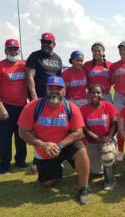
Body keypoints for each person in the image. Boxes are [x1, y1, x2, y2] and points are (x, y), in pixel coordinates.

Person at [18, 76, 91, 204]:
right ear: (46, 89)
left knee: (81, 151)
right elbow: (23, 132)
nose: (55, 90)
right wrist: (42, 144)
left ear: (64, 90)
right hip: (44, 148)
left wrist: (60, 145)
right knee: (47, 184)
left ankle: (83, 188)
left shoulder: (71, 107)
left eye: (59, 88)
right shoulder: (32, 107)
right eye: (51, 87)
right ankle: (56, 166)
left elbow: (78, 133)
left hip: (65, 144)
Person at [0, 39, 28, 174]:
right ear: (5, 51)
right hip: (6, 106)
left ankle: (20, 161)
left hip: (22, 107)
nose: (14, 51)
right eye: (11, 49)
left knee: (21, 136)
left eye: (16, 49)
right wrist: (1, 107)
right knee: (5, 137)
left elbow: (29, 84)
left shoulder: (24, 65)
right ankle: (4, 165)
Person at [80, 85, 118, 190]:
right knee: (96, 172)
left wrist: (109, 137)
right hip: (92, 142)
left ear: (103, 95)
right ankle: (109, 164)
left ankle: (110, 181)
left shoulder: (108, 106)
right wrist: (98, 139)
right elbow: (85, 129)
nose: (95, 95)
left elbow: (115, 124)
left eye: (98, 93)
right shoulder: (83, 109)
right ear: (89, 94)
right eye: (93, 92)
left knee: (107, 152)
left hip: (107, 140)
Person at [26, 32, 62, 100]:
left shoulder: (58, 59)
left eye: (48, 42)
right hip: (39, 98)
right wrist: (34, 97)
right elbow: (29, 76)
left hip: (53, 98)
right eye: (43, 42)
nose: (45, 44)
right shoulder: (34, 56)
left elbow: (59, 79)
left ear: (54, 44)